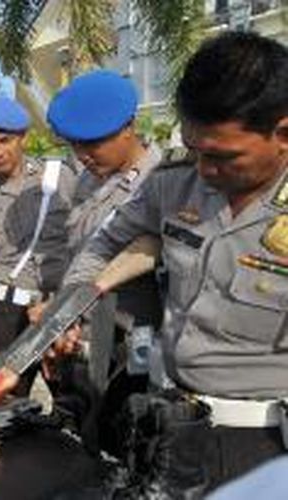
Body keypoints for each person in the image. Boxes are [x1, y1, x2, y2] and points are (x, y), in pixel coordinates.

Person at [54, 32, 288, 494]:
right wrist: (70, 308)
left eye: (222, 156)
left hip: (263, 445)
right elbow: (102, 247)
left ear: (282, 133)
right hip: (170, 423)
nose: (203, 170)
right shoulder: (172, 185)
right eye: (194, 149)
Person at [42, 70, 164, 423]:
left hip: (135, 338)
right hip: (85, 329)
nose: (82, 155)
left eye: (91, 144)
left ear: (128, 127)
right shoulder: (88, 178)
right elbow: (80, 251)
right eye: (74, 144)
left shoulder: (157, 181)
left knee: (129, 428)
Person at [0, 95, 76, 373]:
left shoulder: (59, 178)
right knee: (3, 409)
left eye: (5, 140)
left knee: (77, 406)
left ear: (23, 139)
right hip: (5, 314)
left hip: (62, 309)